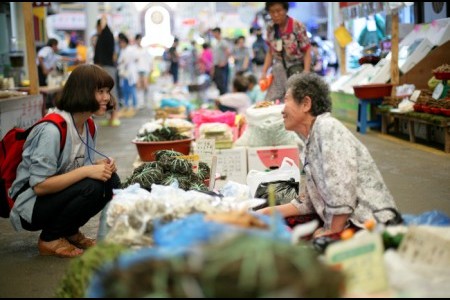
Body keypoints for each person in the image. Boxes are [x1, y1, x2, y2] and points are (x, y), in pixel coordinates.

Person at [257, 73, 399, 238]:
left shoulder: (328, 128)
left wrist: (332, 231)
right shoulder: (309, 139)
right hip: (345, 219)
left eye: (286, 100)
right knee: (275, 225)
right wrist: (268, 212)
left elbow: (342, 188)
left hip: (369, 223)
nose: (282, 109)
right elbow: (309, 201)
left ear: (305, 104)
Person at [8, 64, 121, 258]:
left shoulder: (89, 124)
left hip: (54, 197)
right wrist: (87, 171)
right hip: (31, 206)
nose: (106, 98)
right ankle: (50, 238)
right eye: (100, 91)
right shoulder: (52, 129)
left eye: (107, 92)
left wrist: (98, 167)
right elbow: (40, 186)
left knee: (111, 181)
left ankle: (69, 231)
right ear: (83, 91)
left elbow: (78, 166)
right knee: (91, 186)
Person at [261, 2, 312, 102]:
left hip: (297, 68)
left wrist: (306, 72)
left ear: (285, 10)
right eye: (272, 12)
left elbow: (307, 50)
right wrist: (264, 72)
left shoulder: (297, 26)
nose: (275, 15)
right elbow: (270, 52)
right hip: (279, 68)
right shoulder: (270, 28)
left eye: (278, 11)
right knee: (271, 99)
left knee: (295, 99)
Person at [94, 16, 120, 127]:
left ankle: (115, 116)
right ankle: (109, 117)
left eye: (97, 27)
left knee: (111, 92)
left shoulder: (107, 36)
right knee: (105, 93)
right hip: (103, 67)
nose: (97, 29)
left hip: (108, 67)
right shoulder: (102, 36)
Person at [211, 27, 231, 95]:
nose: (213, 34)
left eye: (214, 33)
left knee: (223, 84)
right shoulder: (216, 43)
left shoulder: (223, 42)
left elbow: (228, 52)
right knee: (218, 84)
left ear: (217, 33)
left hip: (222, 66)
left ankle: (225, 99)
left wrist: (224, 62)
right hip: (217, 66)